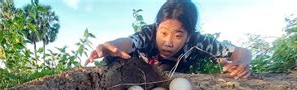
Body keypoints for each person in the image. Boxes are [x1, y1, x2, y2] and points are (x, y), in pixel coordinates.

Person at [85, 0, 252, 79]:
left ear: (189, 34)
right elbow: (129, 43)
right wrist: (112, 45)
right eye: (163, 33)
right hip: (138, 75)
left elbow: (240, 51)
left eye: (178, 35)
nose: (168, 42)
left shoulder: (198, 42)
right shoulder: (148, 34)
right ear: (157, 27)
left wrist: (241, 63)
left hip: (173, 80)